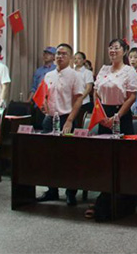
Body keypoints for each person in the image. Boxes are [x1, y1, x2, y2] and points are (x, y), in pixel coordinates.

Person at [35, 43, 85, 206]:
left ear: (70, 57)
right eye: (58, 53)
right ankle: (52, 190)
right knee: (49, 157)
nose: (59, 56)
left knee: (68, 158)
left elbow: (78, 99)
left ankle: (70, 192)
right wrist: (43, 104)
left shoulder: (75, 75)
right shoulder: (49, 75)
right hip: (49, 119)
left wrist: (70, 120)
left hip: (66, 119)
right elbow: (44, 95)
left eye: (64, 54)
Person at [93, 39, 137, 135]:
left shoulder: (129, 71)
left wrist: (117, 116)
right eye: (111, 48)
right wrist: (99, 112)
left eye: (116, 48)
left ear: (124, 51)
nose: (113, 50)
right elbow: (95, 93)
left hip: (121, 114)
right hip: (104, 116)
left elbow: (132, 97)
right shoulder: (104, 69)